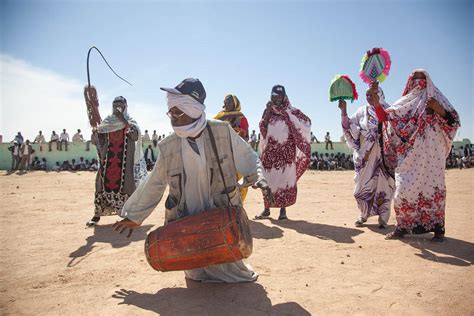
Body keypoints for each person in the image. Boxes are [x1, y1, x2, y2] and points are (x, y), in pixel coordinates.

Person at [112, 78, 271, 283]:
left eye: (179, 112)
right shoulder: (168, 145)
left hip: (220, 207)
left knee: (230, 265)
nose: (174, 118)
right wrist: (134, 215)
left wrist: (259, 178)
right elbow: (155, 182)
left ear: (195, 109)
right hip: (187, 214)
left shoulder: (222, 130)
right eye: (172, 112)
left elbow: (248, 156)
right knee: (195, 266)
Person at [372, 70, 460, 242]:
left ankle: (438, 230)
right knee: (403, 190)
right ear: (410, 82)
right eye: (415, 79)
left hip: (432, 157)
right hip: (409, 156)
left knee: (433, 188)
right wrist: (375, 97)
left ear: (429, 82)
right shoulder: (406, 103)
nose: (419, 83)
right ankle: (402, 227)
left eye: (422, 79)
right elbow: (384, 116)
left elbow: (453, 122)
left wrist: (438, 109)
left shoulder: (437, 99)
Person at [86, 96, 147, 227]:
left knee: (128, 188)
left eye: (120, 105)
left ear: (125, 106)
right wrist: (96, 133)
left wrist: (123, 120)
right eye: (115, 105)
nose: (117, 107)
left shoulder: (130, 121)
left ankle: (130, 216)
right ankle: (97, 215)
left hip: (125, 164)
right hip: (108, 162)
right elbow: (99, 142)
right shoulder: (107, 122)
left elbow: (135, 135)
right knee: (100, 186)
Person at [339, 86, 395, 228]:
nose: (369, 97)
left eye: (372, 94)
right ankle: (363, 214)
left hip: (383, 157)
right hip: (365, 158)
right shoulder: (361, 111)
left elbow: (392, 131)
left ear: (379, 94)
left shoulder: (388, 110)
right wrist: (344, 111)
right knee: (360, 190)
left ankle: (383, 218)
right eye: (367, 94)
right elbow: (349, 126)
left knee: (384, 186)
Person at [254, 85, 311, 220]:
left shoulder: (291, 112)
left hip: (286, 153)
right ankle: (266, 209)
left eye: (279, 96)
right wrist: (267, 112)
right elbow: (263, 129)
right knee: (268, 180)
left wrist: (293, 127)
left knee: (284, 181)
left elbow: (306, 122)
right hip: (270, 153)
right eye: (274, 96)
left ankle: (282, 211)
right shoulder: (268, 111)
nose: (276, 99)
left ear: (284, 97)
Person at [214, 94, 251, 202]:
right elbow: (212, 131)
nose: (226, 104)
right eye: (225, 101)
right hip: (222, 153)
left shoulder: (241, 117)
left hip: (238, 153)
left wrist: (238, 132)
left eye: (229, 102)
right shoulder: (219, 116)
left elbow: (247, 137)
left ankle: (239, 206)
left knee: (241, 181)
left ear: (235, 103)